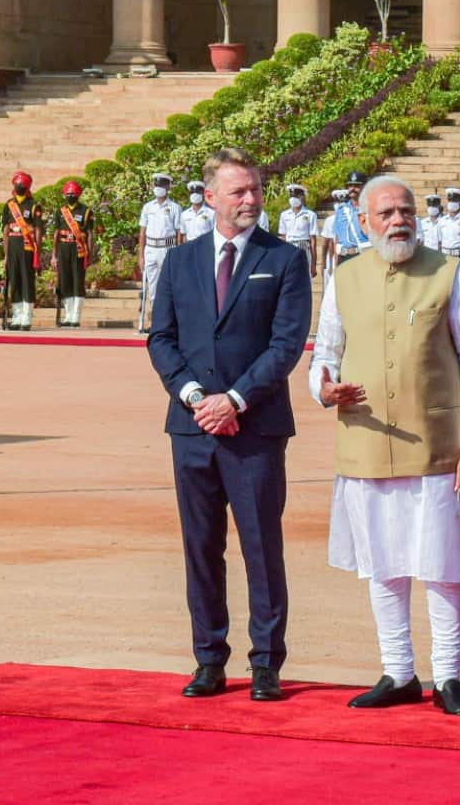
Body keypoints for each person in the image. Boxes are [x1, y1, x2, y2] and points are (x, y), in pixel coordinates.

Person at [309, 174, 460, 717]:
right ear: (363, 221)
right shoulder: (344, 277)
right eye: (386, 213)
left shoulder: (448, 273)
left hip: (439, 444)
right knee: (383, 563)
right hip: (366, 440)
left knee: (442, 563)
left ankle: (448, 676)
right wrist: (323, 389)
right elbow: (325, 350)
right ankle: (398, 672)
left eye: (406, 211)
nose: (399, 220)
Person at [146, 147, 312, 701]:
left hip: (255, 427)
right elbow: (161, 337)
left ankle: (266, 663)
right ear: (210, 196)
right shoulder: (180, 261)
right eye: (238, 191)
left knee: (262, 546)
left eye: (256, 190)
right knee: (200, 546)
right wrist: (196, 396)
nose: (250, 200)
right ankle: (208, 660)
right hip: (192, 428)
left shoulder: (284, 260)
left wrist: (234, 400)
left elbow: (285, 344)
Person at [2, 171, 44, 331]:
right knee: (15, 281)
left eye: (22, 185)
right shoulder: (9, 205)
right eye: (17, 184)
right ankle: (17, 316)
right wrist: (6, 254)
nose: (19, 187)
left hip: (27, 247)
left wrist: (37, 252)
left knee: (27, 281)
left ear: (27, 188)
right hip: (13, 246)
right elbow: (5, 230)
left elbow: (39, 230)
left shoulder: (33, 205)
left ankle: (27, 316)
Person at [138, 172, 180, 332]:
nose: (158, 189)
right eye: (156, 186)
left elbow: (179, 233)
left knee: (167, 287)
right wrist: (140, 255)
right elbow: (142, 231)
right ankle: (156, 322)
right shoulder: (148, 207)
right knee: (153, 287)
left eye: (162, 186)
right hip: (150, 248)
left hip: (167, 248)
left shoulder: (174, 207)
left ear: (168, 188)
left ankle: (168, 321)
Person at [53, 180, 94, 327]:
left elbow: (89, 233)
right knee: (65, 282)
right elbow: (56, 233)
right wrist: (53, 255)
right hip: (64, 247)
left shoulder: (86, 211)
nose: (70, 196)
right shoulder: (60, 211)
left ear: (78, 195)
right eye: (68, 193)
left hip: (79, 249)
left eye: (73, 193)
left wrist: (89, 253)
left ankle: (76, 316)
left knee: (78, 282)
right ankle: (68, 315)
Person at [277, 183, 319, 276]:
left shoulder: (310, 215)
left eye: (296, 196)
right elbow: (282, 237)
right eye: (291, 196)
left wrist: (313, 263)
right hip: (288, 247)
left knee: (304, 277)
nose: (293, 198)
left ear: (302, 197)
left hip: (303, 247)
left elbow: (313, 240)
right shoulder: (284, 215)